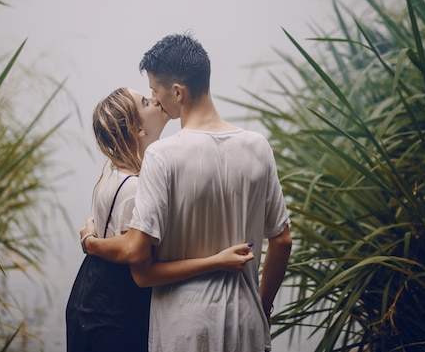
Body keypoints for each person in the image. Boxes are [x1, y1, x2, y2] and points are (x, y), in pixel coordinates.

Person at [81, 33, 292, 352]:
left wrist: (92, 243)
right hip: (247, 325)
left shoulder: (161, 156)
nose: (154, 100)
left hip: (184, 328)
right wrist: (262, 307)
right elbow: (283, 241)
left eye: (154, 91)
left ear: (177, 92)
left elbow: (142, 272)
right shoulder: (258, 146)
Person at [66, 87, 255, 352]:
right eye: (145, 102)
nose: (155, 100)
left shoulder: (111, 171)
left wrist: (90, 240)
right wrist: (217, 262)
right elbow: (144, 273)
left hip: (92, 299)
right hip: (113, 316)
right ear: (138, 130)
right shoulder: (134, 188)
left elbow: (113, 236)